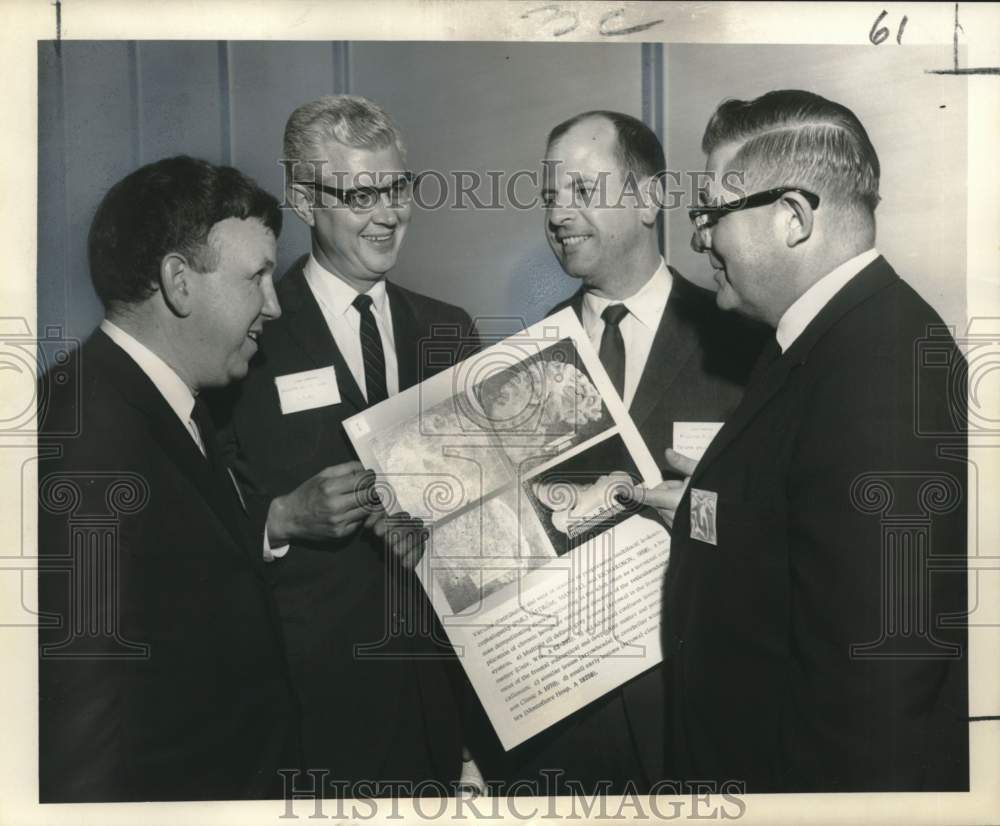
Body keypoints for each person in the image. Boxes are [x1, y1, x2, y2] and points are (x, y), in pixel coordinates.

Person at [641, 89, 968, 791]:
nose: (700, 239)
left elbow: (879, 685)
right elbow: (813, 533)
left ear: (792, 218)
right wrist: (711, 512)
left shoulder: (882, 363)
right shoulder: (825, 337)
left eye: (711, 215)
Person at [479, 111, 765, 793]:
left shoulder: (743, 344)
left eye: (582, 189)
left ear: (647, 198)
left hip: (700, 717)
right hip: (555, 732)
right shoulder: (511, 367)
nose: (558, 213)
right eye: (549, 195)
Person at [218, 95, 477, 794]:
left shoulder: (450, 331)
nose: (389, 214)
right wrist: (279, 519)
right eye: (363, 195)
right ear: (304, 200)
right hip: (304, 717)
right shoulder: (247, 336)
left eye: (398, 188)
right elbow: (192, 526)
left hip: (437, 709)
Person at [37, 156, 298, 801]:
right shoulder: (82, 440)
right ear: (179, 282)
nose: (274, 306)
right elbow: (83, 735)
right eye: (257, 277)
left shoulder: (170, 404)